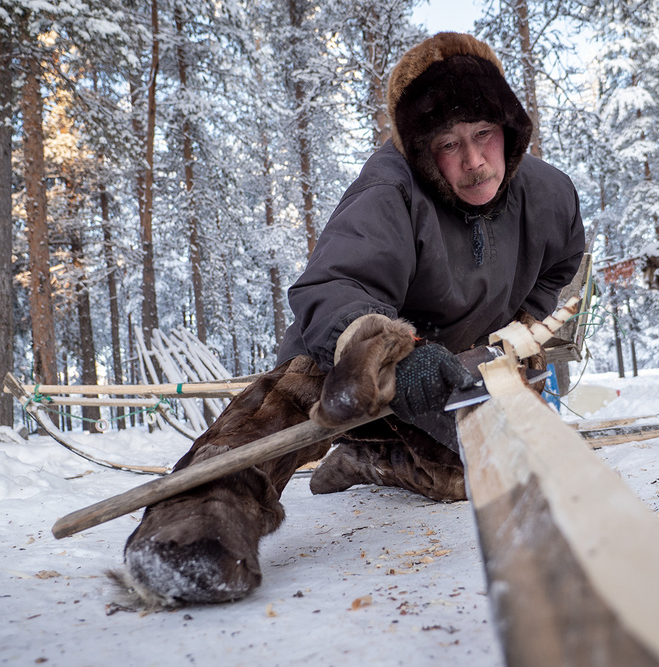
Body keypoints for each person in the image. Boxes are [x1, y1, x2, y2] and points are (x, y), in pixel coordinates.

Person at [111, 32, 586, 610]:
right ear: (419, 149)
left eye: (484, 134)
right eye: (448, 143)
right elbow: (337, 285)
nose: (473, 161)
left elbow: (561, 263)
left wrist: (519, 322)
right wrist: (389, 353)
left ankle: (373, 457)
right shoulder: (390, 188)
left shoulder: (551, 194)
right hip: (355, 353)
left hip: (452, 373)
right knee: (284, 409)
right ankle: (189, 525)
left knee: (473, 475)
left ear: (509, 128)